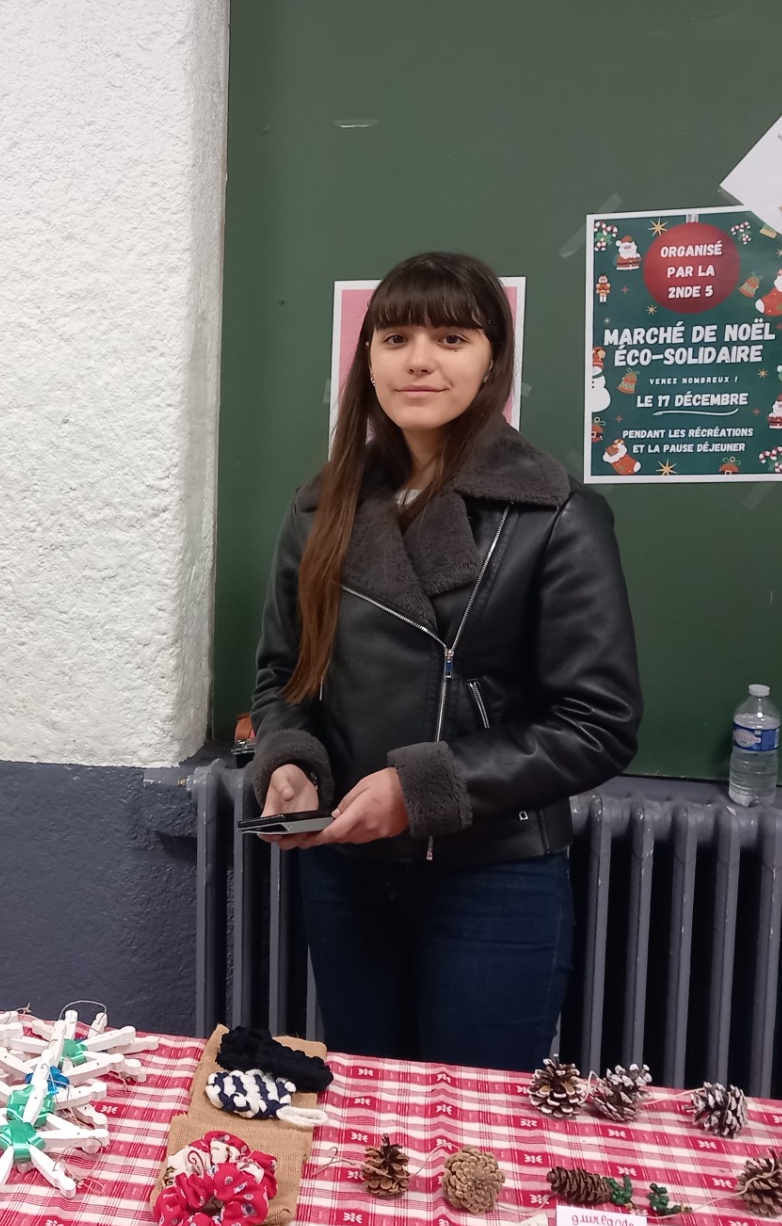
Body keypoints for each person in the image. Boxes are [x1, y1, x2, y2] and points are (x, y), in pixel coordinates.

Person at [248, 252, 640, 1069]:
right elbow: (285, 679)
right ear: (368, 362)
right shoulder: (322, 507)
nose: (419, 359)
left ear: (493, 359)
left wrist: (422, 789)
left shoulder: (557, 514)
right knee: (371, 1112)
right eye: (394, 337)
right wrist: (287, 760)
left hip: (494, 877)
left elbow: (598, 725)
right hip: (347, 869)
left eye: (451, 337)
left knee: (475, 1131)